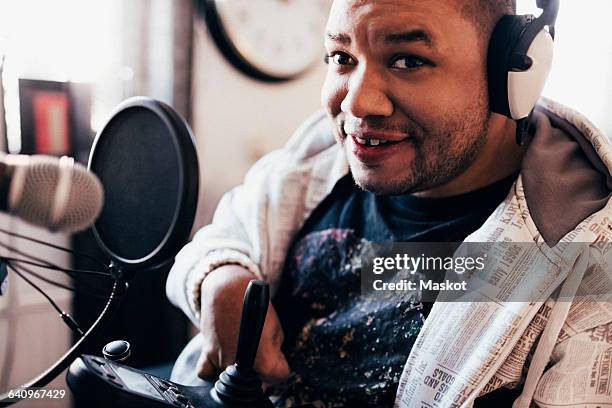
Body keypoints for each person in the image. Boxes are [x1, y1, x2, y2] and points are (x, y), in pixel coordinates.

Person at [166, 0, 612, 407]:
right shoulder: (318, 155)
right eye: (342, 58)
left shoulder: (592, 265)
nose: (357, 102)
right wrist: (221, 278)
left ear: (514, 72)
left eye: (407, 60)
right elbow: (229, 230)